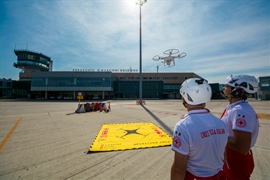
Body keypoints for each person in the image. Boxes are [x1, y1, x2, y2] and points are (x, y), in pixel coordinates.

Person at [171, 78, 229, 180]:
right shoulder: (221, 123)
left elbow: (179, 169)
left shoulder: (183, 126)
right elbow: (224, 157)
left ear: (184, 99)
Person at [220, 75, 259, 180]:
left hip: (236, 160)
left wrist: (217, 136)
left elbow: (242, 147)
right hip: (231, 158)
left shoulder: (240, 111)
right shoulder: (234, 108)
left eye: (227, 86)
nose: (224, 88)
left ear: (237, 90)